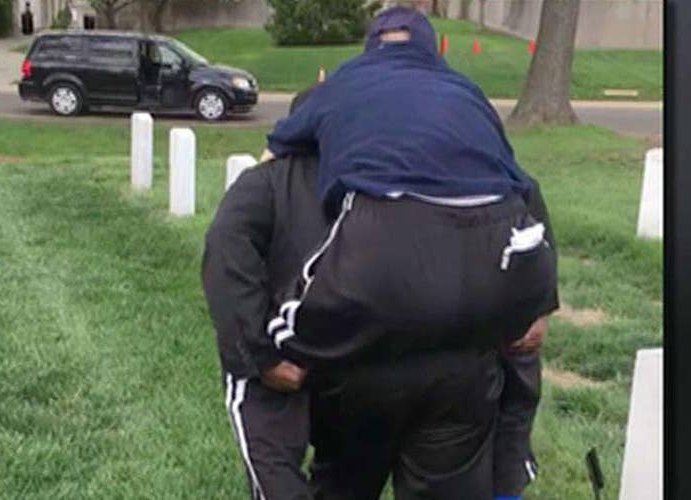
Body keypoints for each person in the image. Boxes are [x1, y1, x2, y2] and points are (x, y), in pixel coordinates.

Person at [203, 87, 556, 499]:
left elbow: (225, 250)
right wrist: (537, 303)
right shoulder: (420, 167)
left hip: (347, 369)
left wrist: (259, 352)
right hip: (447, 361)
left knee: (339, 476)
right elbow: (523, 197)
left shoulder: (274, 181)